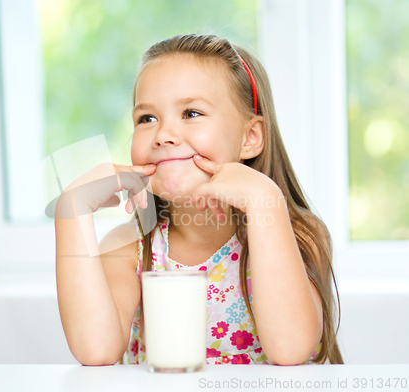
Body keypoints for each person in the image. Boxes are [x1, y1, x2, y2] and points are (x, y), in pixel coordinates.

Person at [55, 34, 343, 366]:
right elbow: (96, 350)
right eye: (146, 119)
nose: (163, 135)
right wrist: (71, 211)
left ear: (250, 138)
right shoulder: (129, 247)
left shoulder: (300, 235)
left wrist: (264, 199)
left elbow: (291, 349)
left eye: (191, 113)